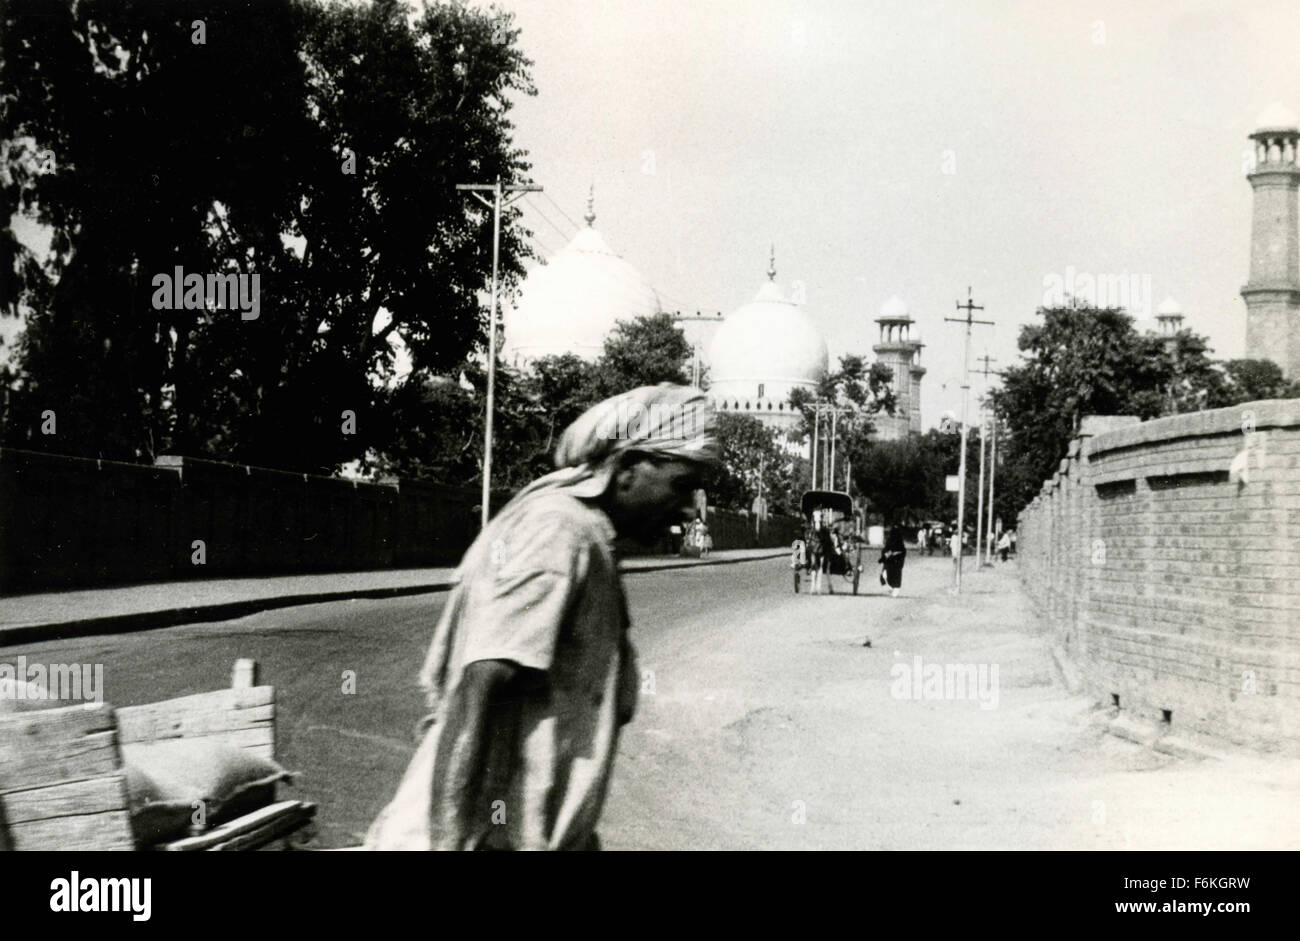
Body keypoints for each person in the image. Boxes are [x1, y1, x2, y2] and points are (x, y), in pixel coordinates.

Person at [364, 384, 718, 851]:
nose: (691, 506)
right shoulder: (558, 532)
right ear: (629, 468)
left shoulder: (593, 543)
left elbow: (563, 732)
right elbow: (481, 694)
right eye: (682, 484)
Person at [879, 525, 907, 598]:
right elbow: (903, 552)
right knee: (895, 575)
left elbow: (886, 551)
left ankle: (892, 588)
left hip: (891, 562)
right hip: (896, 562)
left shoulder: (890, 540)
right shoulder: (900, 542)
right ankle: (894, 588)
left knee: (887, 574)